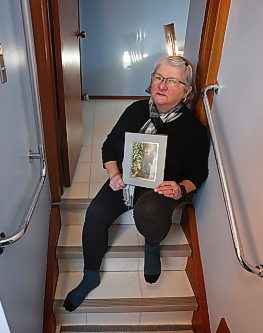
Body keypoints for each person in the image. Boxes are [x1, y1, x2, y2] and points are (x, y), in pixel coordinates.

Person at [63, 55, 211, 312]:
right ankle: (90, 275)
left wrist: (180, 188)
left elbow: (198, 173)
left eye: (172, 81)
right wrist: (113, 173)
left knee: (149, 211)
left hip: (159, 190)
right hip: (125, 182)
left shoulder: (194, 130)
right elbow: (109, 145)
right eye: (158, 77)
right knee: (95, 214)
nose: (162, 85)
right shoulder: (135, 110)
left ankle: (151, 244)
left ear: (186, 91)